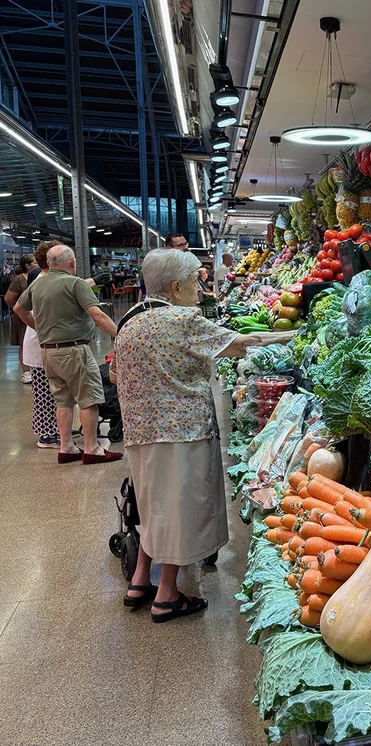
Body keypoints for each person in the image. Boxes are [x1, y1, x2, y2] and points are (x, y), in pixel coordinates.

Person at [114, 249, 294, 621]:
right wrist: (293, 334)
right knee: (180, 509)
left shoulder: (130, 322)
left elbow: (118, 375)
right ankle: (166, 596)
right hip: (182, 431)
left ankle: (139, 580)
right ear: (176, 287)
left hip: (139, 431)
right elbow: (243, 343)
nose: (201, 289)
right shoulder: (183, 320)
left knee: (150, 505)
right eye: (195, 282)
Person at [13, 245, 121, 464]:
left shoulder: (38, 283)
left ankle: (67, 447)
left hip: (49, 353)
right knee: (89, 399)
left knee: (63, 401)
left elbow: (18, 308)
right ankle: (92, 449)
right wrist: (122, 335)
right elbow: (97, 314)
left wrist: (39, 328)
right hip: (74, 351)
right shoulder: (75, 283)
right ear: (72, 263)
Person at [22, 242, 60, 448]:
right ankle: (46, 434)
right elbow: (18, 307)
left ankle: (53, 427)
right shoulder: (42, 280)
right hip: (40, 345)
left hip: (48, 344)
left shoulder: (48, 279)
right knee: (44, 392)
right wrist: (38, 328)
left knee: (53, 391)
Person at [5, 254, 38, 383]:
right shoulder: (19, 279)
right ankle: (26, 372)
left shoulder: (39, 277)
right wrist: (19, 309)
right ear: (27, 265)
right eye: (34, 262)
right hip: (23, 315)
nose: (38, 263)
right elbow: (8, 298)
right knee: (23, 342)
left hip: (37, 314)